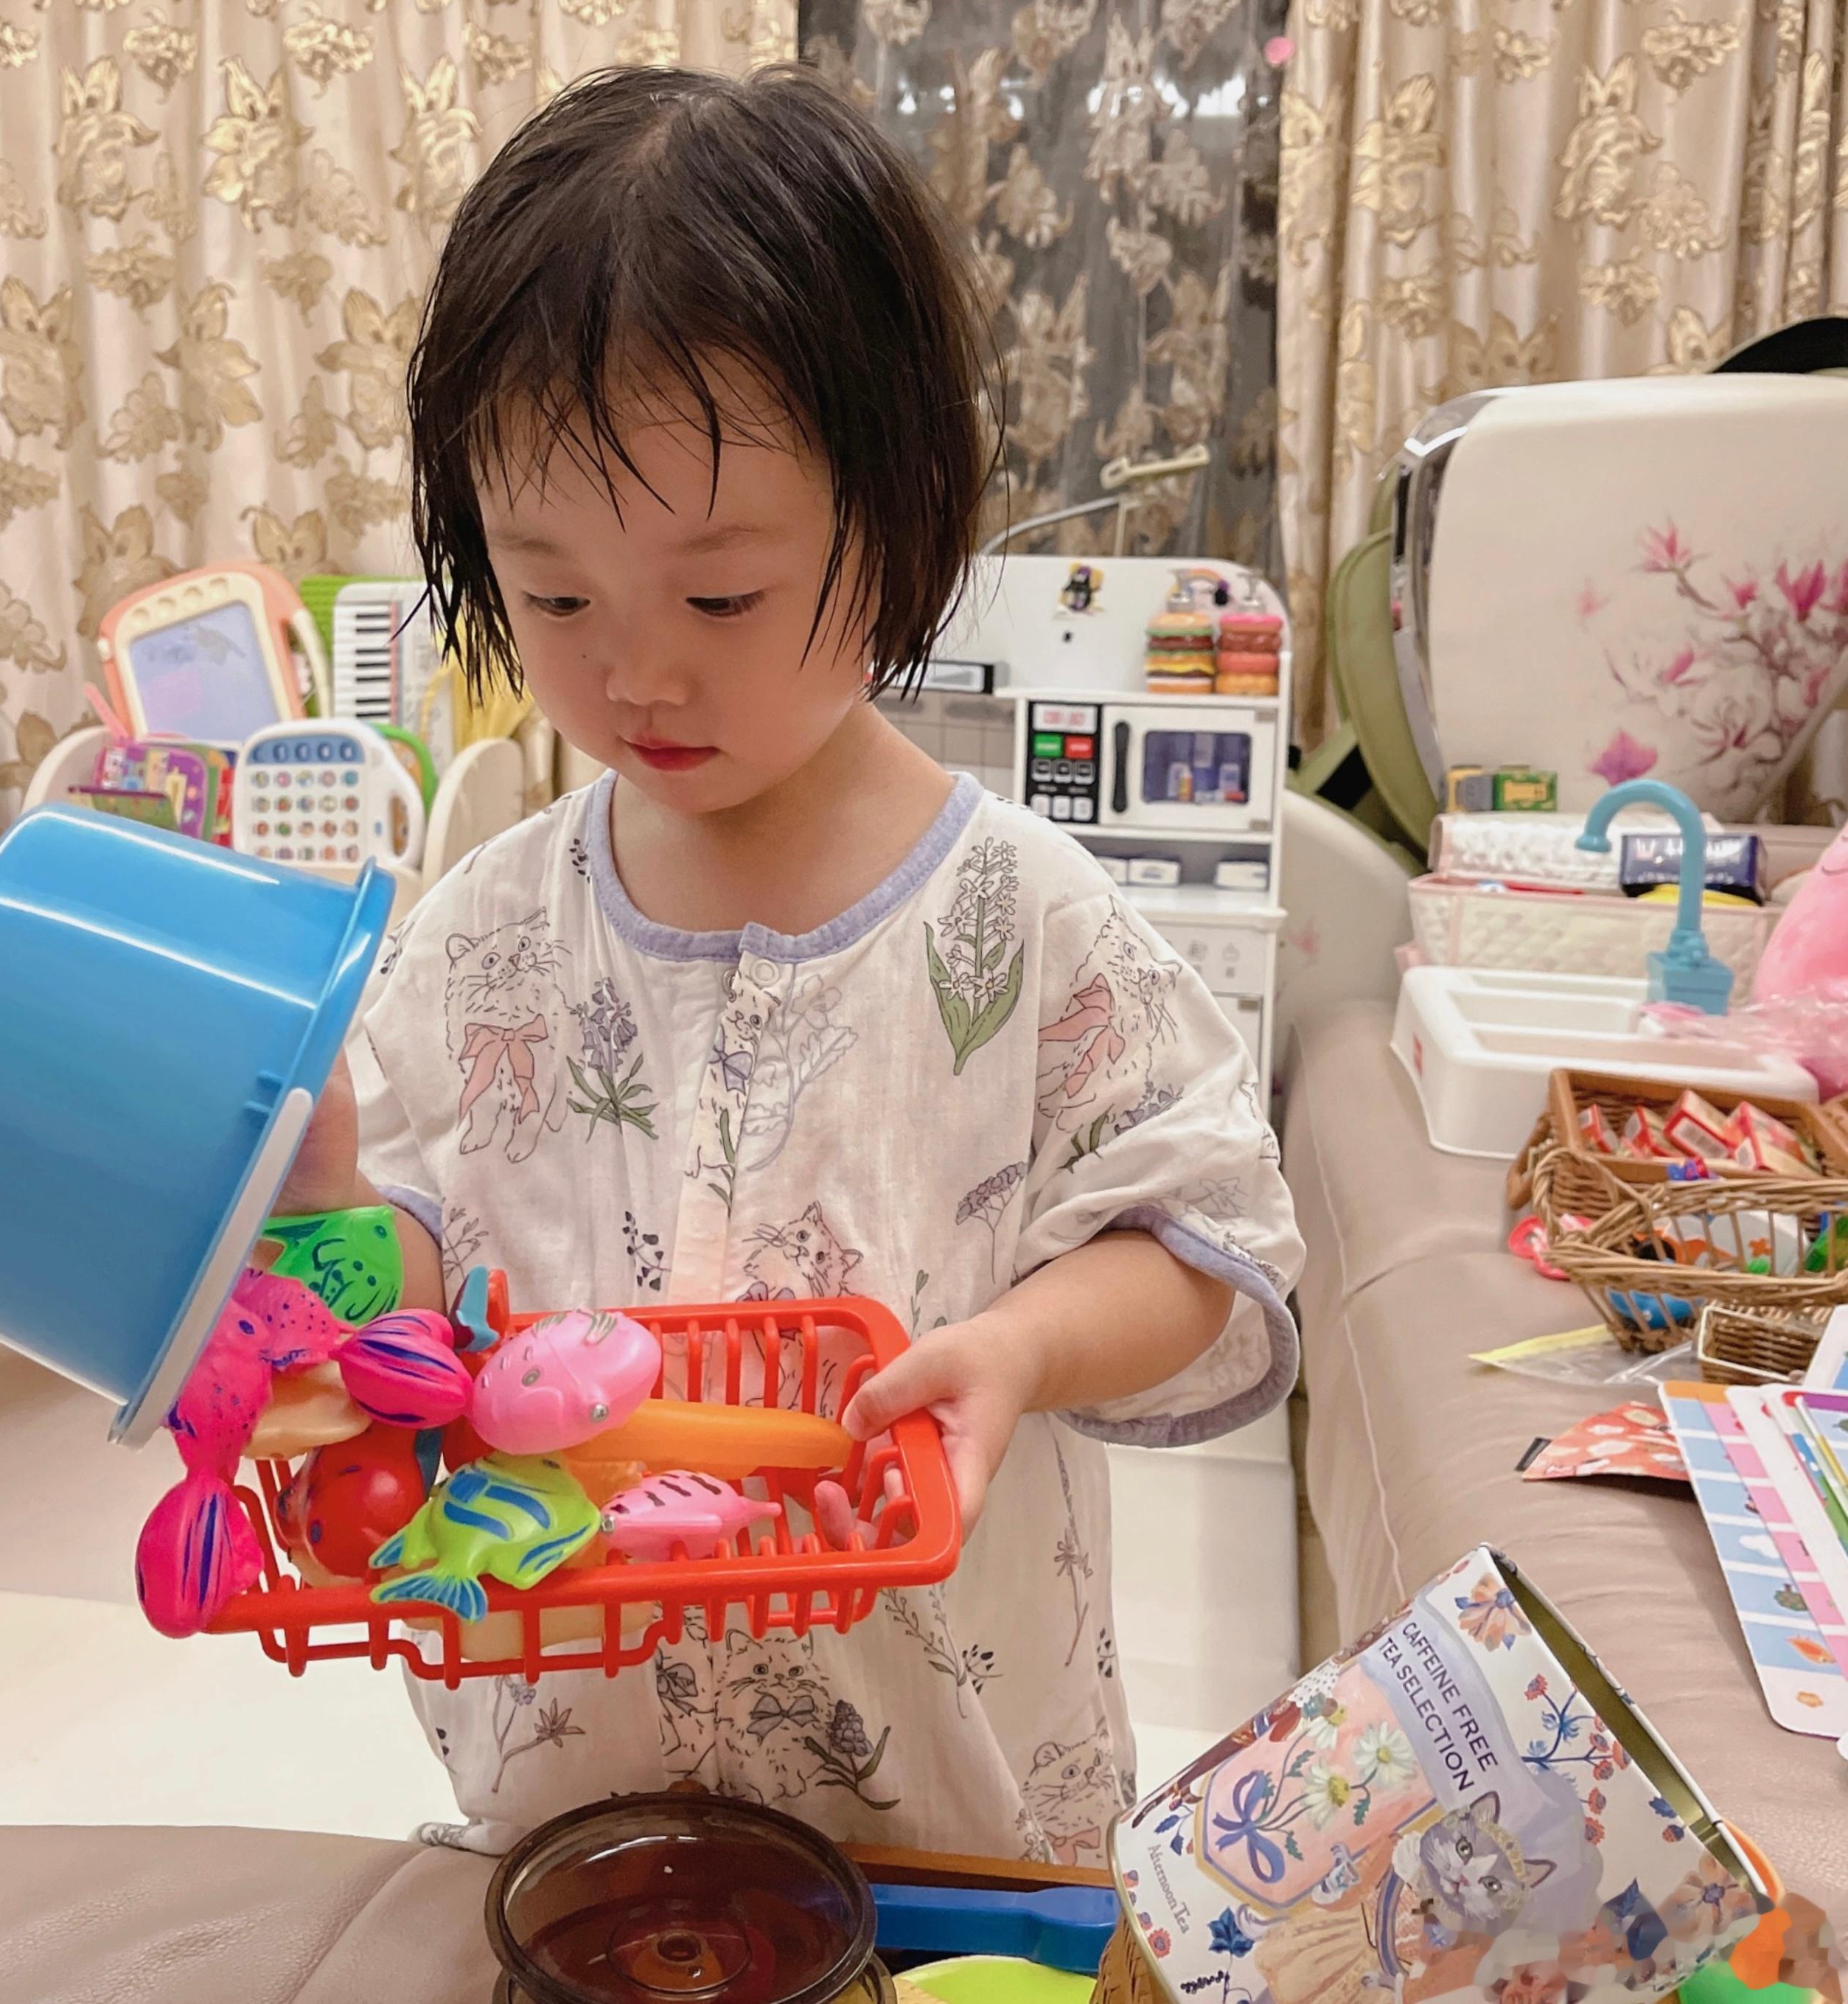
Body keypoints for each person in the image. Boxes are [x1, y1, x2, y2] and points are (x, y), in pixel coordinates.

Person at [279, 62, 1303, 1863]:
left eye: (721, 596)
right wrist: (331, 1230)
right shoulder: (484, 931)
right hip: (585, 1791)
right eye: (555, 595)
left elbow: (1206, 1245)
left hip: (952, 1805)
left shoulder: (1025, 918)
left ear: (896, 515)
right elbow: (429, 1243)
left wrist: (1021, 1345)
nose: (637, 674)